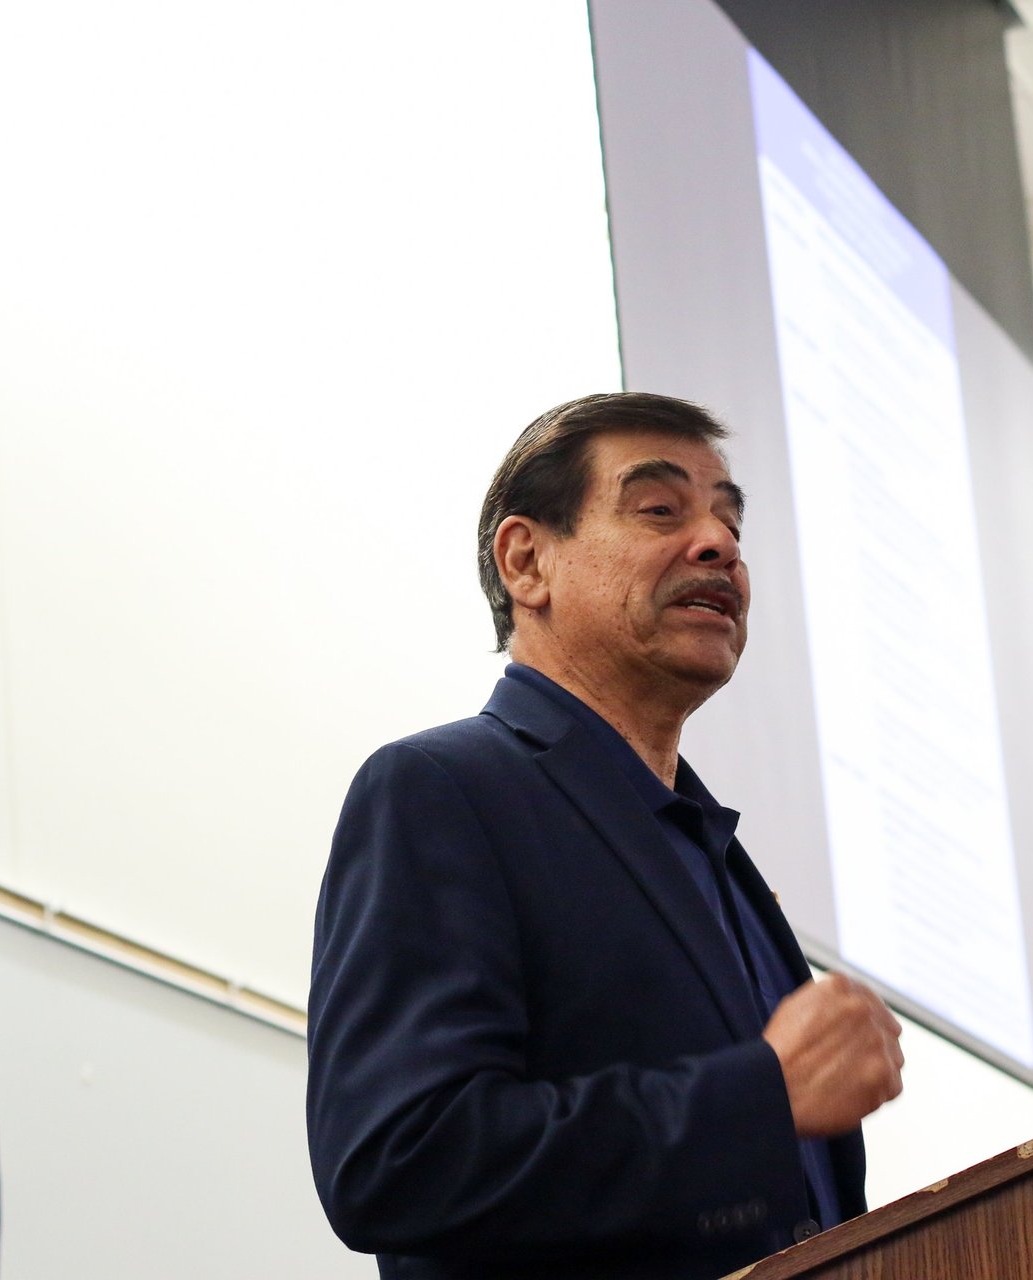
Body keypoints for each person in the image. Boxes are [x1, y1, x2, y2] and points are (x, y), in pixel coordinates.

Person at [306, 392, 905, 1279]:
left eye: (731, 521)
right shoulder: (444, 790)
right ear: (527, 561)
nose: (719, 544)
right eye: (660, 510)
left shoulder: (721, 862)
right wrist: (756, 1101)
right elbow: (400, 1159)